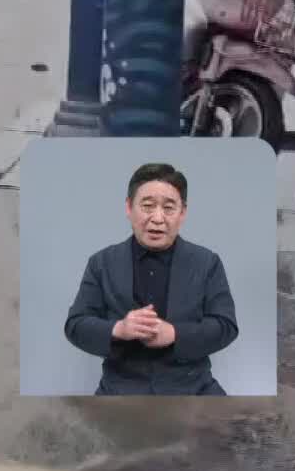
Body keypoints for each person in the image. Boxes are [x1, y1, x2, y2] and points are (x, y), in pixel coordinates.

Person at [62, 162, 238, 396]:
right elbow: (76, 325)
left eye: (168, 208)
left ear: (182, 212)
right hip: (120, 390)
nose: (157, 218)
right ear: (128, 207)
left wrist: (174, 334)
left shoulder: (207, 262)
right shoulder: (102, 263)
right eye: (147, 206)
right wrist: (120, 329)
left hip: (193, 388)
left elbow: (226, 326)